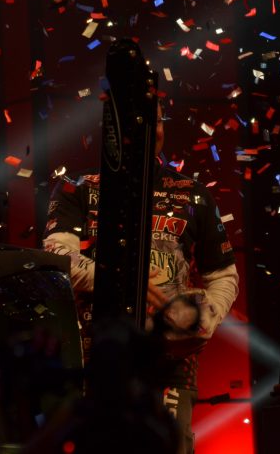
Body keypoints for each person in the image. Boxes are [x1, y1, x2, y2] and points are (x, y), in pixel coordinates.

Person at [42, 100, 239, 454]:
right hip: (92, 358)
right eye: (136, 121)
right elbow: (57, 259)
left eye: (156, 120)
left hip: (169, 364)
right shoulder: (77, 187)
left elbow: (223, 274)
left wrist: (205, 319)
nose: (149, 130)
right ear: (113, 130)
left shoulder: (193, 193)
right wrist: (125, 278)